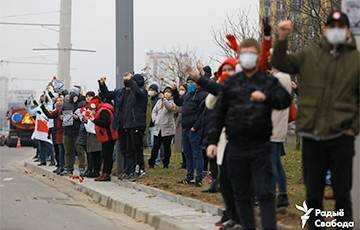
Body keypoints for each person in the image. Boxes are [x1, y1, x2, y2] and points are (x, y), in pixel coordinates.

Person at [272, 11, 359, 228]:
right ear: (325, 29)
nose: (335, 30)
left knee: (342, 193)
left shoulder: (356, 60)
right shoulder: (309, 55)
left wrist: (353, 128)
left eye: (341, 26)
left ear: (348, 31)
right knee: (313, 193)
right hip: (312, 136)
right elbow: (280, 63)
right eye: (332, 26)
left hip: (341, 137)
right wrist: (282, 38)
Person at [207, 38, 291, 230]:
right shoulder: (230, 84)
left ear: (258, 55)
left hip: (261, 145)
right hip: (236, 145)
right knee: (242, 194)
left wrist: (266, 97)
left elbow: (284, 100)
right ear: (239, 55)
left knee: (265, 193)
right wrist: (212, 141)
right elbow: (218, 114)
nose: (247, 56)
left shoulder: (267, 80)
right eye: (244, 52)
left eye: (251, 52)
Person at [186, 58, 239, 229]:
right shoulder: (222, 90)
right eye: (224, 70)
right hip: (222, 139)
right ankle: (230, 214)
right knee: (225, 181)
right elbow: (210, 102)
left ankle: (238, 217)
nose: (227, 73)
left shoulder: (240, 87)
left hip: (240, 140)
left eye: (230, 70)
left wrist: (201, 78)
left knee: (235, 181)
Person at [99, 73, 148, 181]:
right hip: (124, 123)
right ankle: (128, 170)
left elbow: (138, 92)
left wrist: (131, 80)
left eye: (131, 80)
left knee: (135, 148)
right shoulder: (120, 92)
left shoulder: (140, 92)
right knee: (125, 149)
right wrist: (102, 85)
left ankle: (137, 169)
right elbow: (107, 95)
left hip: (135, 123)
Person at [172, 77, 207, 187]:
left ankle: (199, 177)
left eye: (193, 82)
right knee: (187, 153)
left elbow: (203, 114)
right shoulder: (188, 95)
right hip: (185, 127)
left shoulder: (203, 95)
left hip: (194, 129)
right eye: (188, 82)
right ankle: (189, 176)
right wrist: (174, 90)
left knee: (197, 153)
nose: (190, 84)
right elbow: (178, 101)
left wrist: (196, 127)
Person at [86, 97, 118, 182]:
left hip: (108, 136)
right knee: (105, 155)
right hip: (105, 136)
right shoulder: (102, 109)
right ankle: (105, 173)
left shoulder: (104, 110)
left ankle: (106, 173)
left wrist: (95, 120)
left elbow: (106, 123)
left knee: (107, 156)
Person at [148, 87, 177, 168]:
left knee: (167, 147)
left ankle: (166, 163)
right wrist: (154, 119)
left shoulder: (172, 101)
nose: (167, 93)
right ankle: (152, 162)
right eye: (165, 91)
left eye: (169, 92)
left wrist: (164, 99)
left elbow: (169, 107)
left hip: (168, 128)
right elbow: (154, 111)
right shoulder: (159, 101)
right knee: (155, 146)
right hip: (158, 128)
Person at [41, 96, 65, 175]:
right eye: (58, 101)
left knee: (62, 151)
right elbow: (50, 115)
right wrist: (43, 108)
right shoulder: (56, 110)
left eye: (61, 100)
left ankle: (62, 167)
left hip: (64, 133)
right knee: (57, 151)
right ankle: (59, 166)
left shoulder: (65, 109)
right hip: (56, 133)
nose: (59, 102)